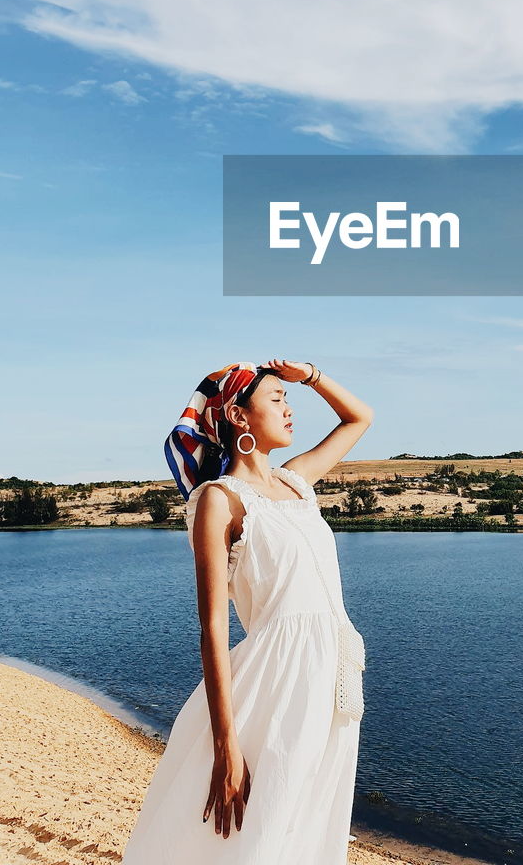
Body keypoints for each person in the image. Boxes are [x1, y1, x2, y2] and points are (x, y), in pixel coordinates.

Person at [120, 358, 373, 864]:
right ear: (239, 418)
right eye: (277, 399)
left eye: (288, 399)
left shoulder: (297, 482)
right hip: (274, 685)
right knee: (257, 832)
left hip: (333, 680)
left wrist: (310, 376)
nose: (289, 408)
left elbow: (359, 418)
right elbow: (212, 628)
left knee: (308, 826)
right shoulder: (218, 500)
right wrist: (225, 746)